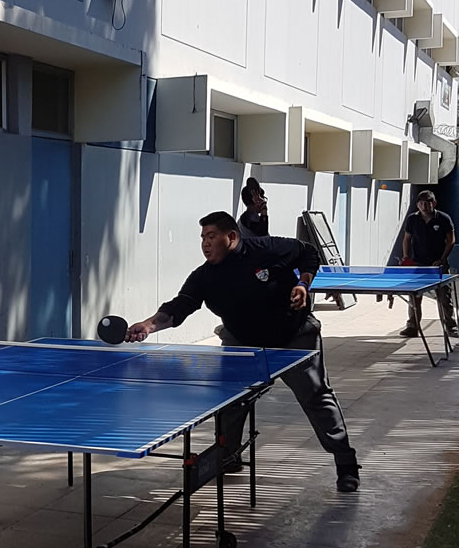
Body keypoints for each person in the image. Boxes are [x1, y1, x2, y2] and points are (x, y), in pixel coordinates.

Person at [126, 211, 361, 493]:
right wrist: (148, 325)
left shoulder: (267, 249)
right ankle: (229, 456)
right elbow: (179, 307)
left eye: (211, 236)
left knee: (317, 397)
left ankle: (346, 464)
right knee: (230, 402)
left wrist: (303, 283)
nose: (205, 243)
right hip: (244, 342)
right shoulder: (204, 277)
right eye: (202, 238)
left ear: (232, 236)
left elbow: (308, 252)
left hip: (294, 336)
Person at [399, 190, 458, 339]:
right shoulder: (412, 219)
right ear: (417, 205)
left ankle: (451, 327)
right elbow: (407, 239)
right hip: (418, 265)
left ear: (434, 203)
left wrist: (442, 259)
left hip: (438, 266)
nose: (424, 206)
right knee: (414, 297)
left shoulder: (443, 218)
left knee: (444, 298)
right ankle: (412, 327)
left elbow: (451, 240)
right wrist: (406, 257)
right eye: (421, 203)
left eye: (428, 203)